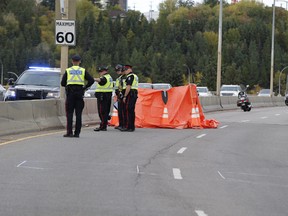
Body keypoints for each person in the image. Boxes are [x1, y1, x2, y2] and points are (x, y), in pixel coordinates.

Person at [61, 54, 94, 138]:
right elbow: (91, 80)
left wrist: (68, 85)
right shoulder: (83, 70)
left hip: (70, 93)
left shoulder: (68, 70)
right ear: (79, 62)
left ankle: (69, 132)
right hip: (79, 93)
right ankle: (77, 133)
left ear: (72, 61)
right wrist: (85, 87)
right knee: (78, 114)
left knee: (69, 113)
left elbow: (62, 83)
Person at [94, 66, 114, 131]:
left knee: (102, 111)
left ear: (104, 71)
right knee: (106, 111)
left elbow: (101, 80)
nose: (100, 73)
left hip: (102, 96)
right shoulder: (110, 77)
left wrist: (93, 79)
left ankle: (103, 126)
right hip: (108, 95)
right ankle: (104, 125)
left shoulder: (104, 77)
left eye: (101, 71)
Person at [121, 64, 138, 132]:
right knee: (131, 110)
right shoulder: (135, 76)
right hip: (133, 94)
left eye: (125, 70)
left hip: (130, 94)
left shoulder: (130, 76)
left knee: (128, 110)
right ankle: (131, 126)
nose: (124, 72)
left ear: (129, 69)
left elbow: (128, 86)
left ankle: (128, 126)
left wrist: (125, 96)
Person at [114, 64, 126, 130]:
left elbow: (124, 87)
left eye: (119, 70)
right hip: (119, 95)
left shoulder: (125, 77)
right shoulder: (119, 78)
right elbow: (117, 87)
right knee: (120, 111)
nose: (117, 72)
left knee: (123, 111)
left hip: (123, 94)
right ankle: (120, 124)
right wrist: (117, 93)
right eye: (117, 71)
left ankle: (124, 125)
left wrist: (123, 95)